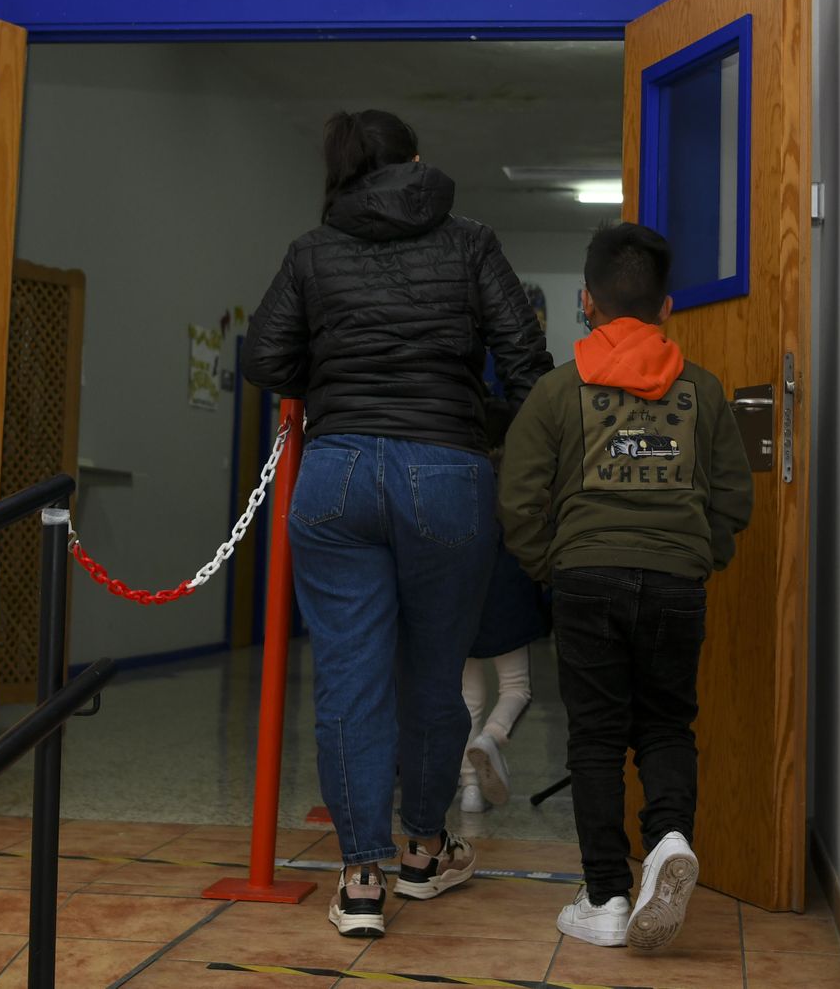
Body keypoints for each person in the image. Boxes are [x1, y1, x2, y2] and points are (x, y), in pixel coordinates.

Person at [243, 109, 551, 938]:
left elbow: (263, 358)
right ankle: (423, 850)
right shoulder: (471, 241)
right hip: (446, 472)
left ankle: (359, 879)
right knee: (436, 673)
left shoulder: (313, 251)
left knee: (349, 677)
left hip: (336, 472)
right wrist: (478, 424)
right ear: (416, 160)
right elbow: (528, 363)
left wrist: (336, 375)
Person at [497, 222, 753, 950]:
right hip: (675, 580)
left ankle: (606, 895)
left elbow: (517, 499)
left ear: (587, 302)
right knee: (667, 724)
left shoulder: (556, 391)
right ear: (667, 307)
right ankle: (668, 840)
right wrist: (699, 554)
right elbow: (734, 497)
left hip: (586, 576)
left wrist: (551, 566)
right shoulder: (703, 391)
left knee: (597, 737)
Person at [457, 396, 545, 814]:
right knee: (516, 688)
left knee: (467, 698)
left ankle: (471, 791)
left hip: (461, 598)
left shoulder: (458, 477)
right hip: (509, 595)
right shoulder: (516, 478)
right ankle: (492, 736)